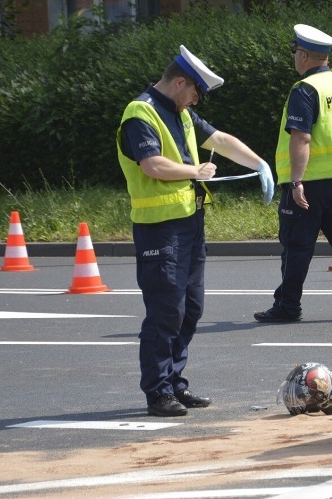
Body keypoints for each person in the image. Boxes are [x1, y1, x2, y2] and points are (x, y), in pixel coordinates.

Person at [118, 45, 275, 416]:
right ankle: (158, 392)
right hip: (159, 229)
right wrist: (195, 171)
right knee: (165, 310)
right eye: (195, 93)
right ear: (179, 81)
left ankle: (175, 383)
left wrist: (259, 163)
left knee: (191, 308)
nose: (196, 101)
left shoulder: (181, 113)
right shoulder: (140, 113)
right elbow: (152, 165)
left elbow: (219, 139)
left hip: (189, 223)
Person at [254, 24, 332, 323]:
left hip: (310, 182)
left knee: (297, 244)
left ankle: (287, 307)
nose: (294, 57)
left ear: (305, 55)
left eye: (295, 52)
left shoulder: (305, 89)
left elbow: (302, 137)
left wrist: (296, 181)